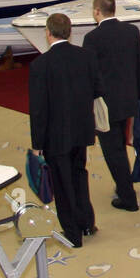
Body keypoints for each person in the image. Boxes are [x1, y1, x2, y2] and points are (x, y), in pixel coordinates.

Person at [29, 13, 104, 248]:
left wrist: (37, 143)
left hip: (55, 135)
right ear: (69, 32)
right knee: (79, 175)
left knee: (62, 184)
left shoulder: (40, 65)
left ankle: (73, 233)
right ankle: (87, 223)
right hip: (81, 129)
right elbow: (97, 89)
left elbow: (38, 109)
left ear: (48, 33)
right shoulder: (86, 56)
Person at [83, 0, 140, 214]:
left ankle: (128, 197)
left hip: (105, 104)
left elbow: (90, 74)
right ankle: (123, 185)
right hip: (128, 99)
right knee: (120, 144)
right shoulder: (131, 31)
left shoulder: (92, 38)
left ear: (97, 12)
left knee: (113, 151)